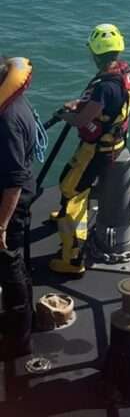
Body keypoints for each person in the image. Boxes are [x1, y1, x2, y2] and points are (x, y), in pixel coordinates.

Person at [50, 24, 130, 276]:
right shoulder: (123, 72)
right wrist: (80, 103)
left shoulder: (104, 86)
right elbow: (103, 104)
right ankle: (68, 213)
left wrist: (66, 114)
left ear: (95, 54)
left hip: (98, 148)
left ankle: (72, 258)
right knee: (73, 177)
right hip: (113, 142)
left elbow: (80, 120)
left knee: (70, 190)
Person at [0, 56, 37, 358]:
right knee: (17, 264)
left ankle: (17, 342)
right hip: (17, 194)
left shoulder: (7, 119)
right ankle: (24, 323)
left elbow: (13, 181)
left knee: (9, 263)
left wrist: (0, 226)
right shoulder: (16, 101)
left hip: (10, 201)